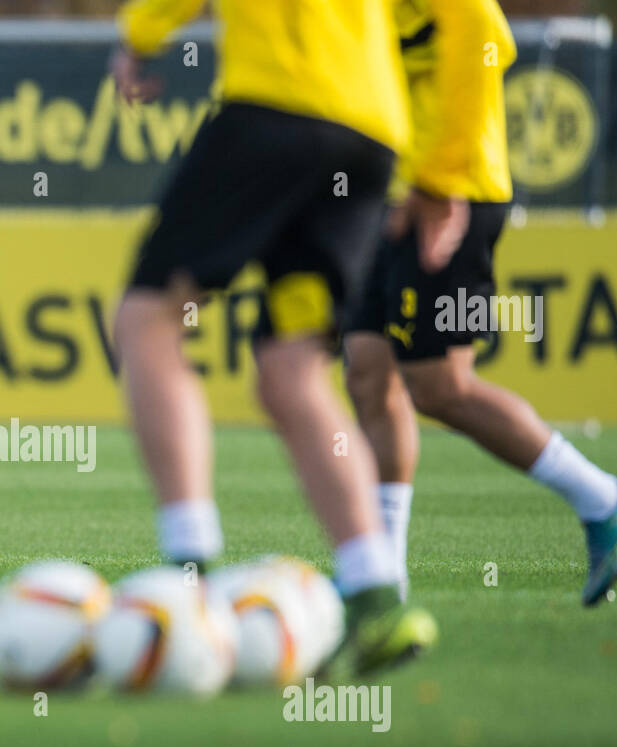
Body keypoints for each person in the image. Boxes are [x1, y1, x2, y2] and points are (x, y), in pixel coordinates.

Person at [110, 0, 453, 675]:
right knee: (291, 370)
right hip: (370, 130)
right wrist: (438, 169)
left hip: (277, 102)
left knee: (148, 319)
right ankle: (376, 594)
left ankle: (189, 575)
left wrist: (138, 36)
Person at [342, 0, 617, 606]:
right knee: (367, 371)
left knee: (440, 386)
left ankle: (604, 499)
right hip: (391, 196)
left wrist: (440, 180)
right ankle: (385, 574)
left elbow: (486, 36)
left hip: (452, 198)